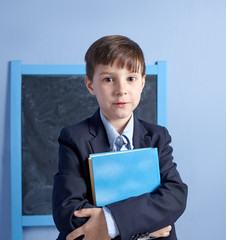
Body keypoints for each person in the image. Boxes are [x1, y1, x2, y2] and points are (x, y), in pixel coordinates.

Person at [52, 35, 188, 240]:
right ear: (90, 85)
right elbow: (69, 213)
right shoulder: (73, 138)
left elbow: (174, 196)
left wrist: (111, 222)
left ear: (142, 82)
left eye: (131, 78)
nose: (121, 90)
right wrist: (145, 227)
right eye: (108, 79)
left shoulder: (157, 137)